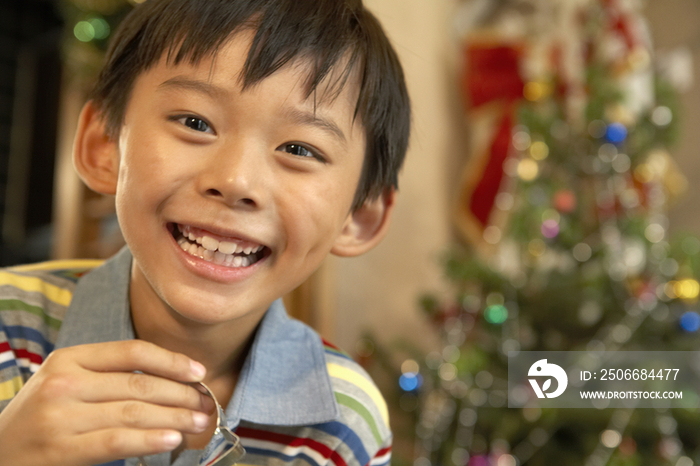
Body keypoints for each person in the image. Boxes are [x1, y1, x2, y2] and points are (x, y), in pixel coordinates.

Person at [0, 0, 410, 465]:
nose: (235, 181)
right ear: (104, 148)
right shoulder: (7, 332)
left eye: (299, 148)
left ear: (360, 217)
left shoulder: (343, 420)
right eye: (195, 122)